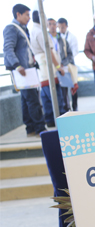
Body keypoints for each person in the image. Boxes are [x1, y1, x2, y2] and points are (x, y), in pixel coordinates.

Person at [3, 4, 46, 137]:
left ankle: (30, 128)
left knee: (26, 99)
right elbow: (8, 49)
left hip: (28, 69)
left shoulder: (23, 29)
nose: (29, 18)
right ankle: (40, 128)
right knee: (32, 99)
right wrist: (17, 65)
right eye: (27, 15)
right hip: (22, 71)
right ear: (18, 14)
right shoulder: (11, 28)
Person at [29, 11, 67, 127]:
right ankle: (60, 122)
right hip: (48, 68)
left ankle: (50, 120)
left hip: (42, 69)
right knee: (55, 97)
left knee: (45, 97)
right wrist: (58, 66)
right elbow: (49, 52)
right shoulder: (40, 32)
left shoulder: (33, 30)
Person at [47, 18, 72, 114]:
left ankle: (66, 113)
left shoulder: (62, 40)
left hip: (62, 70)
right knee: (54, 95)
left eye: (54, 24)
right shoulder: (45, 40)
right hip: (51, 71)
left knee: (64, 94)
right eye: (50, 24)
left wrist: (62, 64)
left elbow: (70, 55)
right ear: (47, 26)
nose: (52, 26)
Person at [57, 17, 79, 111]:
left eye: (63, 27)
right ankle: (66, 107)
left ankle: (75, 106)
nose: (61, 29)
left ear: (66, 26)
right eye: (59, 27)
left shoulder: (72, 37)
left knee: (73, 85)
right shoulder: (57, 38)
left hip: (70, 64)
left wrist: (65, 62)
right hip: (61, 66)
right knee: (64, 87)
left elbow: (74, 51)